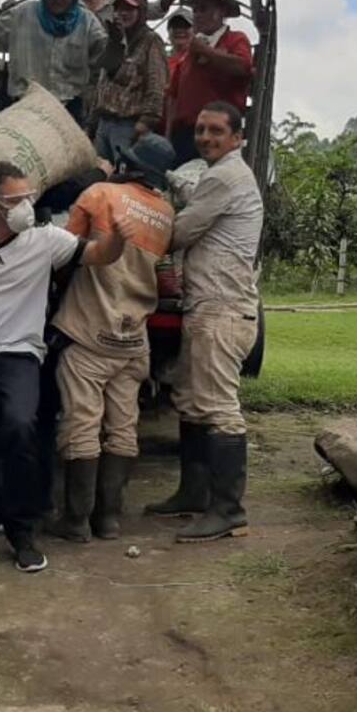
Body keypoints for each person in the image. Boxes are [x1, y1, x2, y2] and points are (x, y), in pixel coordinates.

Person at [0, 162, 133, 573]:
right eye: (14, 200)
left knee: (19, 428)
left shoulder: (46, 240)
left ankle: (22, 533)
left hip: (18, 353)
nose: (25, 207)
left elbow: (98, 255)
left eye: (29, 197)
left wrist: (118, 240)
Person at [145, 101, 262, 544]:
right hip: (208, 306)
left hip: (221, 309)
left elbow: (179, 232)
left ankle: (228, 509)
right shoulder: (222, 174)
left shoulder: (224, 177)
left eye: (216, 131)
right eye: (200, 130)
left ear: (237, 138)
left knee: (217, 406)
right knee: (192, 401)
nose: (206, 138)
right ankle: (194, 493)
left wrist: (142, 218)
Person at [49, 135, 176, 543]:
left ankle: (75, 521)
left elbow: (64, 253)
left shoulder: (99, 194)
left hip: (89, 333)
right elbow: (164, 274)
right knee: (123, 426)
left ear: (128, 166)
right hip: (133, 340)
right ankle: (108, 520)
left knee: (81, 424)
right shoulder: (166, 214)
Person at [164, 0, 253, 166]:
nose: (197, 14)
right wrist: (168, 136)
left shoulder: (235, 39)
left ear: (222, 12)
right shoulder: (188, 53)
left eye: (204, 9)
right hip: (184, 135)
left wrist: (206, 51)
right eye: (195, 10)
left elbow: (243, 67)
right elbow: (173, 96)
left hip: (218, 132)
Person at [91, 0, 170, 165]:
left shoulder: (151, 40)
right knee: (100, 173)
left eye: (129, 9)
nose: (123, 13)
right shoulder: (114, 37)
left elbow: (157, 83)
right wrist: (93, 122)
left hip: (128, 125)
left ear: (141, 12)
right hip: (104, 123)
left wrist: (146, 122)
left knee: (124, 174)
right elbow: (102, 84)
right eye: (119, 9)